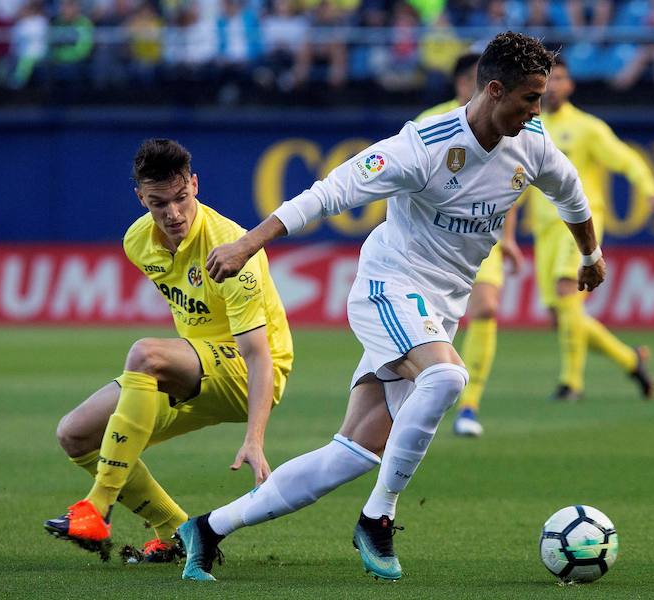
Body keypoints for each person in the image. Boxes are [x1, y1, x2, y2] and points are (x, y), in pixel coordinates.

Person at [177, 31, 605, 583]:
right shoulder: (422, 146)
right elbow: (329, 192)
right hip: (389, 285)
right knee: (448, 378)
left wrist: (590, 255)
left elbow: (571, 195)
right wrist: (247, 243)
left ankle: (208, 528)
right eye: (529, 98)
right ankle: (377, 518)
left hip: (440, 306)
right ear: (495, 90)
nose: (536, 110)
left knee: (352, 454)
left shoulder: (533, 144)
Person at [43, 139, 293, 563]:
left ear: (195, 184)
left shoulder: (230, 247)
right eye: (159, 203)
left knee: (146, 353)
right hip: (193, 367)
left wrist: (255, 437)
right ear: (141, 197)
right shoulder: (137, 242)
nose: (173, 213)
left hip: (246, 372)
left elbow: (259, 355)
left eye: (181, 198)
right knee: (76, 433)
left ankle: (96, 508)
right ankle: (177, 531)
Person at [528, 57, 654, 402]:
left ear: (570, 85)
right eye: (549, 79)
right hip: (544, 229)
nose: (555, 85)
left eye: (560, 78)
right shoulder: (528, 127)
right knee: (561, 317)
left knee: (567, 293)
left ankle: (571, 384)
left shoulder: (586, 127)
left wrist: (650, 192)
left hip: (578, 224)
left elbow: (626, 158)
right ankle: (630, 359)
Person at [416, 51, 526, 437]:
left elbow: (509, 185)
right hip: (431, 246)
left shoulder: (504, 126)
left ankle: (470, 404)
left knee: (486, 309)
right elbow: (397, 178)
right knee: (431, 327)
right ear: (463, 84)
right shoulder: (430, 123)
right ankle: (426, 391)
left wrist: (508, 238)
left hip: (482, 239)